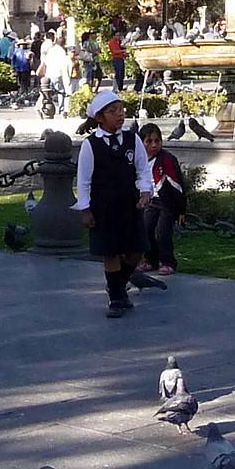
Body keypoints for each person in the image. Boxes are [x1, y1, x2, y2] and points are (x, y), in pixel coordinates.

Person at [74, 88, 153, 318]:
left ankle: (117, 284)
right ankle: (117, 297)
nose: (120, 115)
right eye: (113, 111)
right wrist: (85, 209)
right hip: (104, 206)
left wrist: (145, 190)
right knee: (110, 251)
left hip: (129, 203)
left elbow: (142, 168)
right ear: (100, 117)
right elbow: (84, 180)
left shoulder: (132, 139)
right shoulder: (91, 145)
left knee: (136, 249)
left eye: (121, 110)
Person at [138, 120, 185, 275]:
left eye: (157, 141)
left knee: (162, 232)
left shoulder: (167, 159)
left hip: (167, 202)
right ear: (141, 142)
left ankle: (168, 262)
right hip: (150, 201)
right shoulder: (140, 160)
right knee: (146, 229)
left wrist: (180, 209)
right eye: (148, 141)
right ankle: (150, 260)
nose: (153, 145)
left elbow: (177, 184)